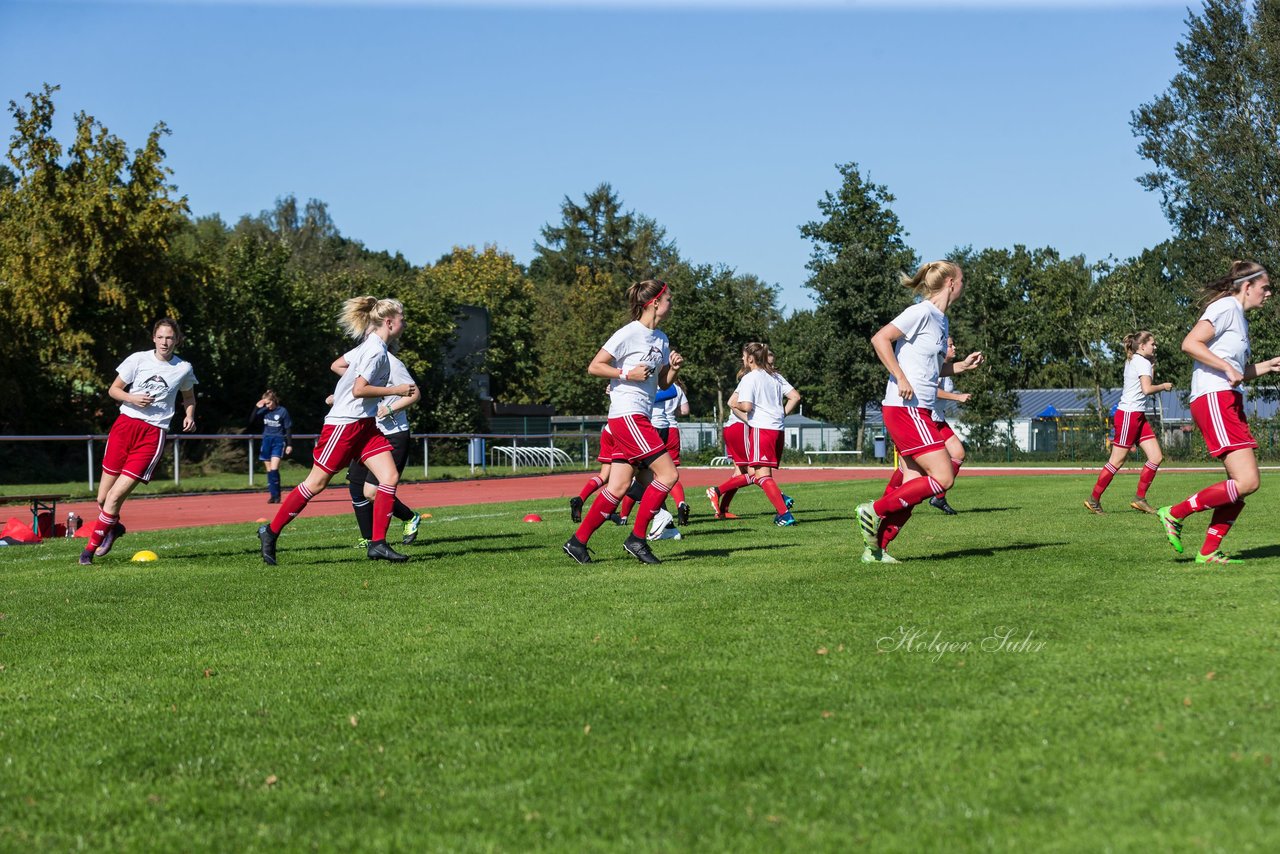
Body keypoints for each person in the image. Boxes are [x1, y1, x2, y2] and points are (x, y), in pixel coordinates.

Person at [257, 296, 416, 565]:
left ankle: (377, 544)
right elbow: (359, 388)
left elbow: (343, 369)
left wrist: (343, 393)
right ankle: (270, 533)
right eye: (402, 319)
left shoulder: (373, 346)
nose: (405, 323)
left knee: (388, 477)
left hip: (365, 426)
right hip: (343, 426)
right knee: (316, 484)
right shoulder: (375, 351)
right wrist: (395, 390)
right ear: (389, 322)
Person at [856, 261, 983, 563]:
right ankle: (873, 510)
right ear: (951, 282)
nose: (964, 285)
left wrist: (961, 365)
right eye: (962, 280)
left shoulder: (941, 320)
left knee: (913, 483)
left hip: (919, 409)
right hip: (906, 408)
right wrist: (900, 377)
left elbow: (931, 367)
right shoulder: (921, 311)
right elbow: (880, 338)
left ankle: (876, 550)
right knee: (944, 477)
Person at [1157, 261, 1280, 564]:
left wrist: (1268, 365)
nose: (1269, 294)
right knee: (1248, 481)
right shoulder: (1225, 307)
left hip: (1227, 398)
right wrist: (1225, 366)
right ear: (1247, 286)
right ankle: (1175, 513)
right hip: (1215, 397)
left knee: (1238, 489)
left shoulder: (1239, 318)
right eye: (1265, 288)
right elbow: (1190, 343)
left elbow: (1237, 371)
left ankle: (1209, 552)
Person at [563, 279, 684, 565]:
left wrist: (675, 369)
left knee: (617, 487)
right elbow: (595, 366)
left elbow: (662, 382)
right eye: (668, 299)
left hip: (637, 416)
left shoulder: (662, 339)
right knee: (668, 476)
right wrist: (627, 374)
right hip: (628, 416)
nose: (671, 304)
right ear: (655, 302)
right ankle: (637, 540)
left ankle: (577, 543)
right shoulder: (629, 333)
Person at [80, 318, 197, 565]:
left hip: (152, 435)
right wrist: (132, 398)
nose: (165, 342)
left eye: (170, 337)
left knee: (113, 498)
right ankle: (113, 527)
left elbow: (188, 397)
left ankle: (87, 553)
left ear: (177, 340)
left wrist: (189, 414)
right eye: (161, 337)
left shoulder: (183, 368)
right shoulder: (137, 359)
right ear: (154, 338)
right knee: (102, 499)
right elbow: (114, 390)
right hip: (124, 428)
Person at [341, 341, 425, 547]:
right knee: (356, 486)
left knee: (372, 491)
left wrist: (390, 409)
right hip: (369, 434)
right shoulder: (364, 362)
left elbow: (415, 393)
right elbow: (336, 365)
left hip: (392, 435)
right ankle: (368, 539)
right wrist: (341, 394)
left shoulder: (393, 364)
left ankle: (409, 517)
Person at [1084, 331, 1173, 515]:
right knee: (1117, 460)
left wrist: (1153, 366)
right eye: (1152, 344)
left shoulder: (1138, 360)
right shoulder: (1141, 361)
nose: (1155, 347)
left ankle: (1140, 499)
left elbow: (1145, 383)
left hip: (1138, 416)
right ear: (1142, 346)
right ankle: (1094, 499)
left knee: (1156, 457)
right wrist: (1164, 386)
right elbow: (1147, 389)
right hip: (1128, 416)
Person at [727, 342, 801, 526]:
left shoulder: (750, 378)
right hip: (777, 429)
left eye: (744, 356)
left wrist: (738, 405)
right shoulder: (775, 376)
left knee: (761, 475)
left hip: (762, 429)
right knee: (763, 474)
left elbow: (747, 406)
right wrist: (781, 414)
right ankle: (782, 509)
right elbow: (795, 396)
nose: (743, 359)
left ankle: (784, 515)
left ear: (751, 358)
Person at [652, 379, 692, 525]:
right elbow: (685, 410)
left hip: (654, 425)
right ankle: (680, 503)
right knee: (671, 472)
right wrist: (672, 412)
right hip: (672, 428)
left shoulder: (651, 383)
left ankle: (660, 512)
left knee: (653, 475)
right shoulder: (676, 387)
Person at [250, 390, 293, 504]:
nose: (267, 406)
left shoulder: (283, 411)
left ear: (274, 401)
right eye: (266, 404)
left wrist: (289, 444)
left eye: (269, 403)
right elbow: (251, 421)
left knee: (274, 469)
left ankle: (277, 495)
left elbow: (288, 428)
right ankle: (272, 495)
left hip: (278, 441)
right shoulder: (264, 411)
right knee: (269, 470)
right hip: (266, 441)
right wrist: (256, 407)